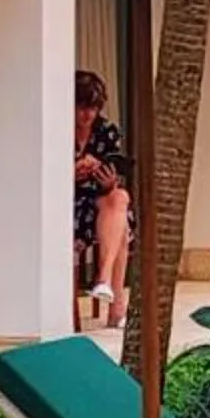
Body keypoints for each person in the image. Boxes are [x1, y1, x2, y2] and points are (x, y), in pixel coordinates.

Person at [74, 68, 132, 327]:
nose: (87, 114)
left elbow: (114, 170)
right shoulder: (56, 129)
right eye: (82, 107)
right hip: (68, 205)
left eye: (93, 108)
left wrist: (108, 180)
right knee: (121, 227)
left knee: (119, 197)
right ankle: (116, 304)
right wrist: (71, 173)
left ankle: (103, 279)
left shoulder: (106, 131)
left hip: (98, 199)